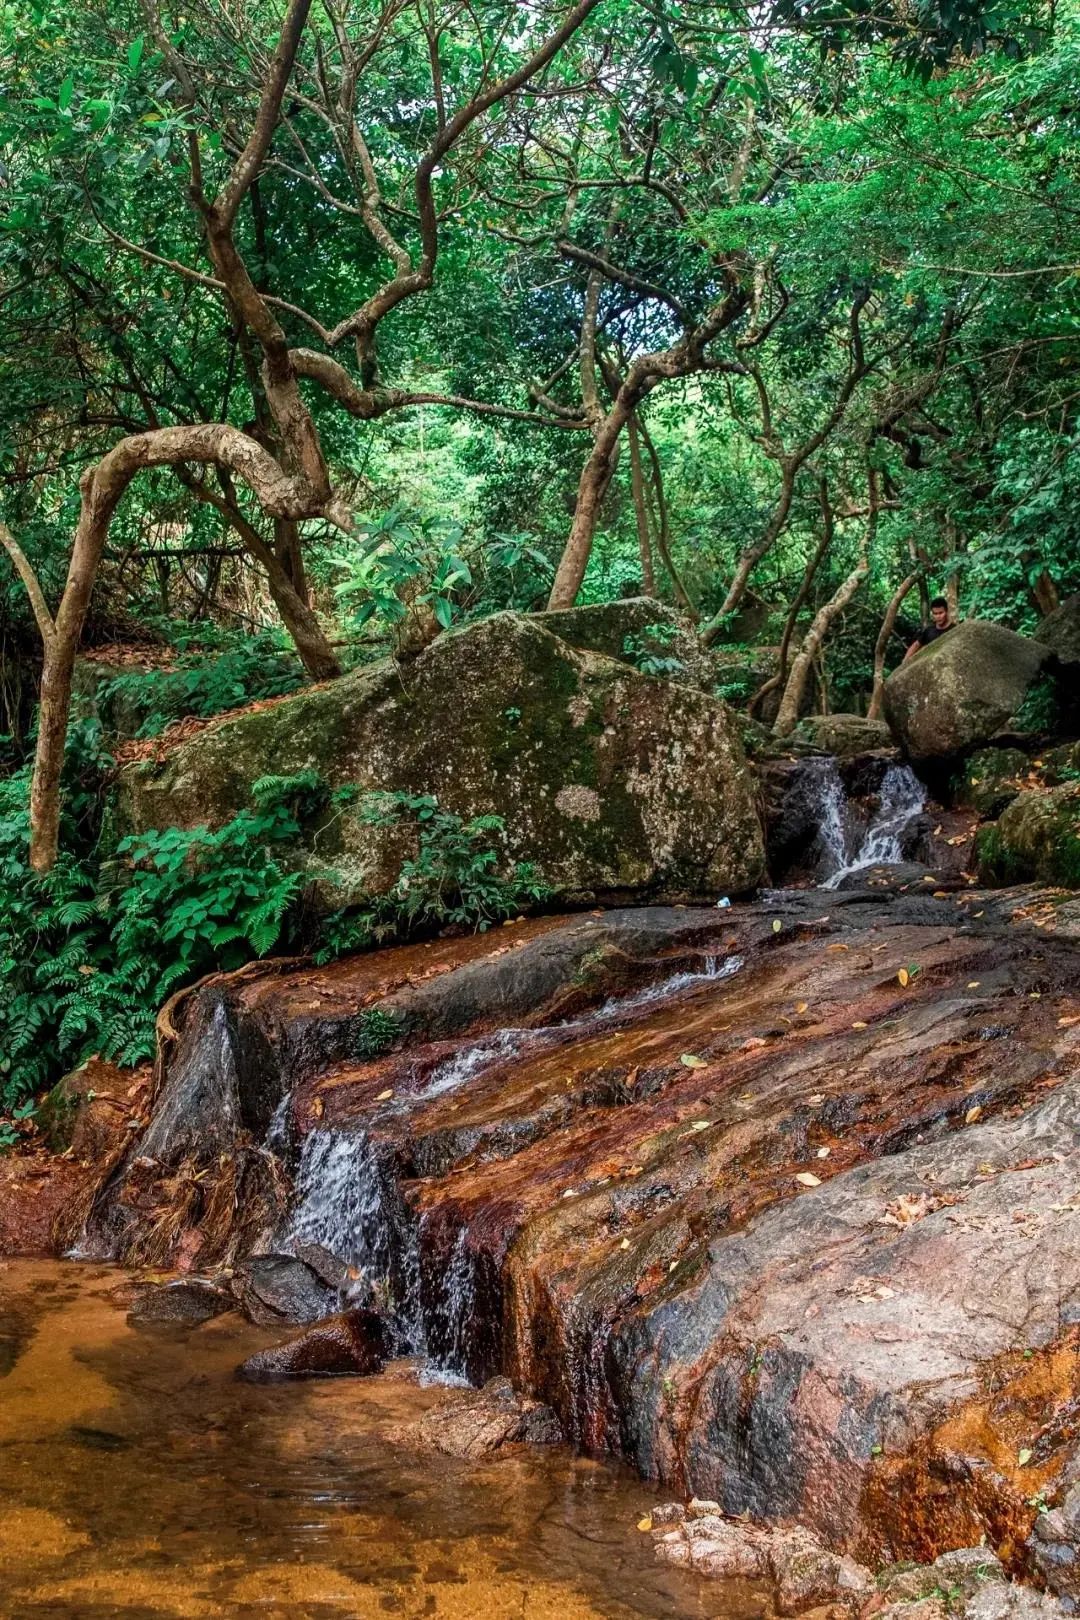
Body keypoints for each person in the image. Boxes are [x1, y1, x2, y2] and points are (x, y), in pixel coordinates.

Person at [903, 596, 954, 661]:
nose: (938, 616)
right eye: (935, 613)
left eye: (941, 613)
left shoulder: (954, 629)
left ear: (946, 612)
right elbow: (916, 645)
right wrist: (904, 661)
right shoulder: (929, 631)